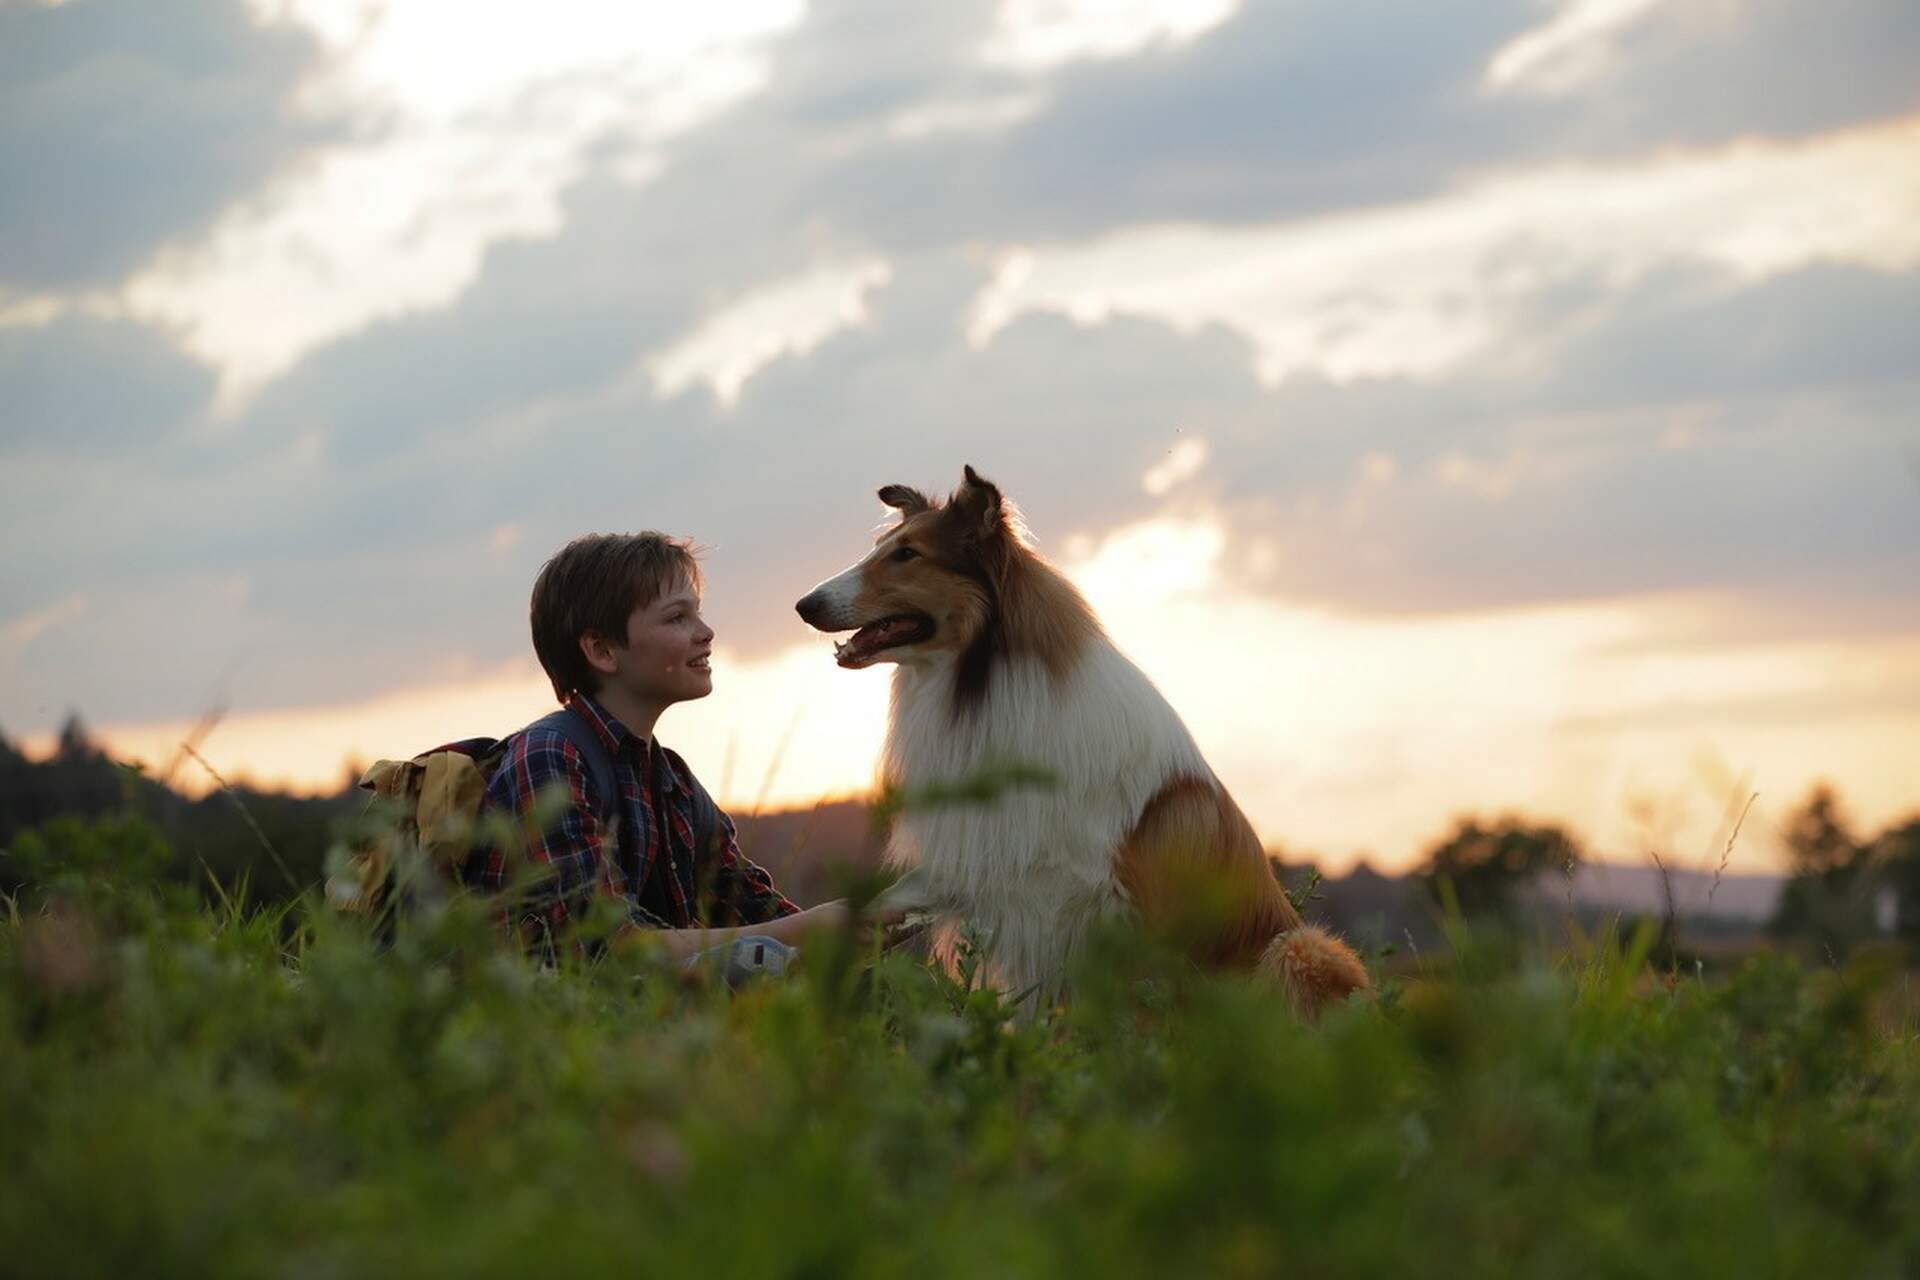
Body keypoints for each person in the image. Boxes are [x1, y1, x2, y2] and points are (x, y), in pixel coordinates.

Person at [468, 531, 850, 967]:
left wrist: (879, 916)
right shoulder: (549, 759)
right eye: (676, 618)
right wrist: (805, 930)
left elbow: (757, 913)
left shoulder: (673, 783)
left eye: (698, 614)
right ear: (602, 650)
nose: (706, 633)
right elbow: (610, 947)